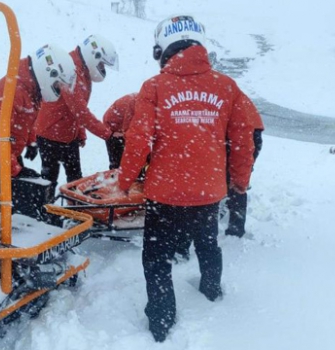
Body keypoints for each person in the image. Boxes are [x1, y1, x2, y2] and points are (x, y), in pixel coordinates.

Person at [116, 15, 259, 342]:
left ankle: (162, 320)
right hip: (208, 193)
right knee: (208, 246)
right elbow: (242, 139)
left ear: (163, 48)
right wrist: (240, 180)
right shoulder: (227, 87)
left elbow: (138, 140)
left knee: (156, 259)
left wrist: (125, 180)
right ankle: (212, 291)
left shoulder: (154, 87)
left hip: (164, 195)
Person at [0, 44, 77, 210]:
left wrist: (31, 142)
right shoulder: (13, 91)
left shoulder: (30, 87)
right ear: (48, 73)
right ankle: (2, 233)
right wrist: (16, 170)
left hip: (7, 152)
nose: (58, 89)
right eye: (57, 84)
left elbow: (27, 119)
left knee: (21, 199)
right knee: (4, 207)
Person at [33, 35, 122, 196]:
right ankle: (44, 213)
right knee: (49, 179)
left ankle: (74, 211)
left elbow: (76, 108)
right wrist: (108, 135)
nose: (102, 68)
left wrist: (79, 133)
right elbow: (80, 110)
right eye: (101, 64)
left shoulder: (82, 69)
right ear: (93, 56)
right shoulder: (69, 69)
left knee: (75, 179)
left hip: (68, 135)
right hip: (50, 134)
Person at [225, 116, 264, 237]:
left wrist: (241, 180)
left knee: (237, 187)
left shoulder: (235, 106)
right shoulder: (240, 103)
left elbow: (247, 148)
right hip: (240, 142)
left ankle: (235, 230)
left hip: (240, 144)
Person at [103, 93, 137, 169]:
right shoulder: (135, 103)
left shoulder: (147, 104)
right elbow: (128, 129)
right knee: (118, 162)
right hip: (112, 128)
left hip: (122, 125)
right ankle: (116, 175)